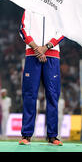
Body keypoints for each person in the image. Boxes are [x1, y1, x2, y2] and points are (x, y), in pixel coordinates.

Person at [19, 9, 64, 146]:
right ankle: (26, 135)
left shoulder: (58, 9)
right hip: (32, 54)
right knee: (29, 95)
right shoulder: (29, 7)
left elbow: (63, 31)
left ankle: (52, 136)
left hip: (52, 55)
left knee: (52, 95)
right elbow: (23, 29)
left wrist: (46, 47)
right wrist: (37, 49)